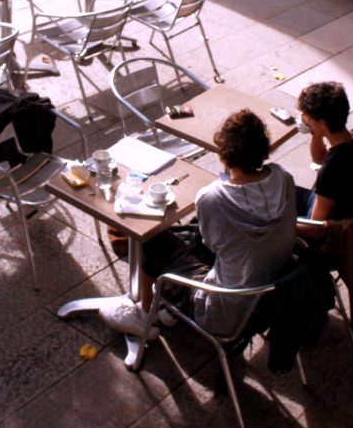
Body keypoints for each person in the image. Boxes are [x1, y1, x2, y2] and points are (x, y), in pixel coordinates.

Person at [99, 109, 298, 337]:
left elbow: (209, 245)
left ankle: (144, 315)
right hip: (269, 298)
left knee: (150, 238)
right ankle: (168, 309)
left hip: (221, 311)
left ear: (224, 153)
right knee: (197, 236)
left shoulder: (213, 197)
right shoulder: (284, 178)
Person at [294, 81, 353, 236]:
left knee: (270, 206)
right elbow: (319, 159)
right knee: (281, 189)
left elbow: (315, 228)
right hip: (346, 206)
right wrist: (315, 133)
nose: (304, 120)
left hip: (333, 228)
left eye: (308, 118)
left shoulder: (332, 168)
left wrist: (278, 229)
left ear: (323, 123)